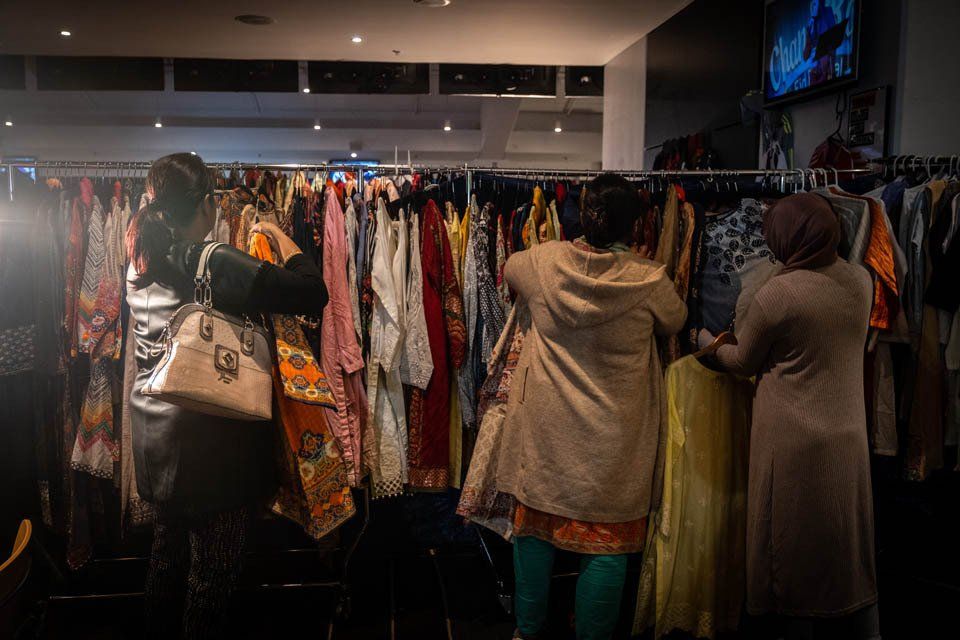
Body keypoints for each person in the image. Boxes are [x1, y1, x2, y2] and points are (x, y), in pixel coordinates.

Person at [126, 153, 327, 639]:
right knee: (210, 582)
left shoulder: (139, 260)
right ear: (202, 205)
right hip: (209, 451)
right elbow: (311, 292)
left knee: (166, 565)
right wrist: (279, 236)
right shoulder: (210, 260)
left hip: (154, 442)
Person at [496, 173, 687, 639]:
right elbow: (676, 320)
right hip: (615, 439)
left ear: (583, 215)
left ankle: (527, 630)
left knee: (535, 530)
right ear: (634, 224)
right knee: (608, 541)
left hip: (548, 430)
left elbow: (508, 268)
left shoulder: (544, 262)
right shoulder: (649, 279)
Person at [702, 192, 880, 640]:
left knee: (792, 550)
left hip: (793, 437)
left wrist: (707, 341)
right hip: (848, 435)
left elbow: (742, 361)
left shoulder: (779, 293)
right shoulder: (861, 281)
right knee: (847, 545)